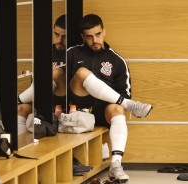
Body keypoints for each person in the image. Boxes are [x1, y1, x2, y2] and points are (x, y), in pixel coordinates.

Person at [67, 14, 153, 183]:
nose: (94, 40)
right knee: (82, 73)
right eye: (89, 37)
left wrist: (121, 100)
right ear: (82, 37)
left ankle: (115, 165)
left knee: (118, 108)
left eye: (98, 34)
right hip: (77, 107)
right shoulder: (72, 53)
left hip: (102, 110)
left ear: (104, 31)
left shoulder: (117, 61)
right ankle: (130, 105)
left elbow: (124, 91)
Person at [0, 14, 66, 134]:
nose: (59, 40)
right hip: (43, 97)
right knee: (20, 109)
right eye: (56, 34)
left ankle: (10, 103)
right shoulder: (45, 51)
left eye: (64, 36)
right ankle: (22, 148)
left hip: (64, 98)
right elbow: (36, 81)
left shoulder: (73, 52)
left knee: (56, 72)